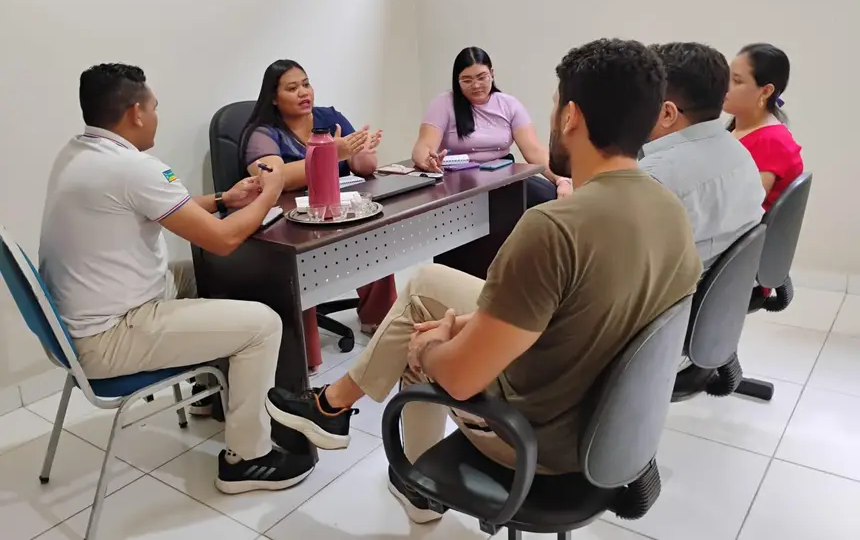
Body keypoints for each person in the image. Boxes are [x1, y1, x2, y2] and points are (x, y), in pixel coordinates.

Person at [266, 39, 702, 523]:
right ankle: (334, 407)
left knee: (416, 338)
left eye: (555, 105)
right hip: (611, 423)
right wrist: (468, 325)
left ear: (572, 117)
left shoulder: (553, 228)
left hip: (538, 442)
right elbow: (586, 304)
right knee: (428, 283)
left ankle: (418, 489)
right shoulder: (669, 209)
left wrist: (429, 348)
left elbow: (457, 377)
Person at [39, 63, 314, 494]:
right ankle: (248, 458)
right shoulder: (132, 168)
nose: (156, 116)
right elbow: (224, 239)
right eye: (154, 107)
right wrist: (270, 191)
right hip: (110, 335)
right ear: (136, 113)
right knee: (263, 324)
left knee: (213, 275)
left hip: (87, 318)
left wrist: (226, 197)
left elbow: (162, 207)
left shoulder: (79, 153)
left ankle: (210, 396)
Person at [239, 59, 397, 372]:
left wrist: (362, 153)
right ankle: (306, 358)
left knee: (375, 232)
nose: (303, 92)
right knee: (301, 262)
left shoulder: (330, 117)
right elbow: (274, 177)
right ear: (273, 97)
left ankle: (377, 317)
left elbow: (361, 168)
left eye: (306, 84)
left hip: (339, 211)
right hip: (292, 223)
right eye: (292, 88)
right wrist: (330, 153)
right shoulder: (263, 133)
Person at [640, 42, 764, 269]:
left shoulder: (654, 177)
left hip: (670, 300)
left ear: (668, 113)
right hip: (720, 298)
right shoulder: (741, 154)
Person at [411, 47, 573, 207]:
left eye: (482, 77)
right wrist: (428, 161)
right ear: (457, 80)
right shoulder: (443, 103)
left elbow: (534, 151)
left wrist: (561, 180)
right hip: (459, 182)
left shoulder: (508, 104)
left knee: (551, 199)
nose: (475, 85)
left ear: (492, 74)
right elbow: (423, 146)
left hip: (503, 177)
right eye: (467, 80)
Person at [724, 43, 803, 211]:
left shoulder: (771, 142)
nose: (725, 86)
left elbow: (743, 209)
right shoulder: (741, 128)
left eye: (737, 81)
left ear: (766, 91)